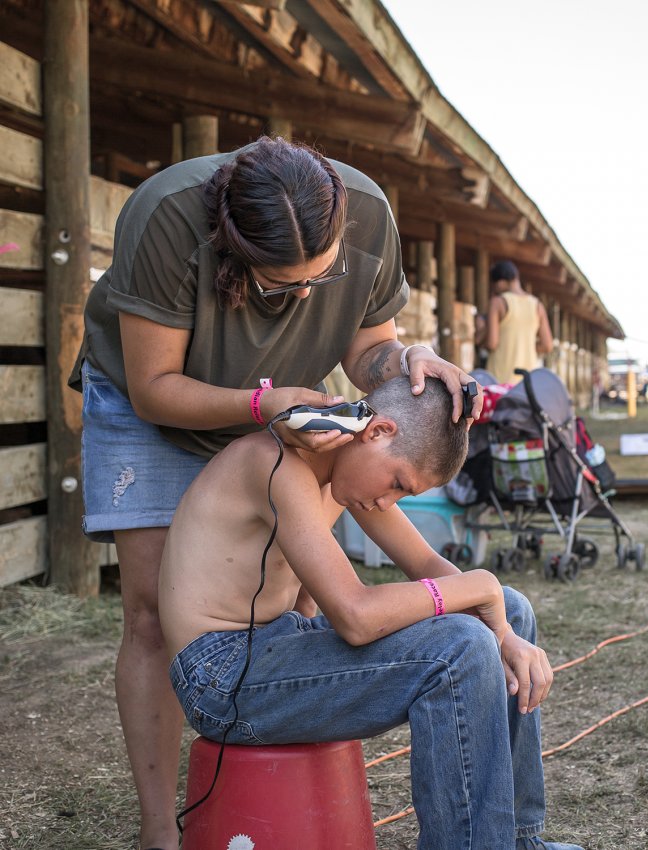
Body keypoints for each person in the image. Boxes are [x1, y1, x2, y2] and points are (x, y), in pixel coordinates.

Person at [68, 135, 483, 850]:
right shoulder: (165, 217)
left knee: (289, 597)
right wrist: (264, 406)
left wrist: (409, 359)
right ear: (232, 252)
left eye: (316, 284)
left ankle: (286, 769)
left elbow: (368, 352)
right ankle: (159, 830)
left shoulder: (370, 219)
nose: (300, 301)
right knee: (147, 616)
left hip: (278, 400)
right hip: (159, 394)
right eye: (278, 287)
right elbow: (156, 387)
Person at [160, 376, 584, 850]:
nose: (388, 502)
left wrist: (498, 614)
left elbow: (427, 566)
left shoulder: (348, 469)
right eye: (398, 483)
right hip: (221, 677)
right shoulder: (273, 463)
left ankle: (517, 840)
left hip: (280, 643)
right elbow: (355, 617)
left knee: (512, 607)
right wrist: (479, 588)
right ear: (377, 431)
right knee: (460, 648)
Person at [485, 260, 554, 385]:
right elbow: (547, 345)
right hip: (527, 381)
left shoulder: (498, 302)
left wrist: (479, 337)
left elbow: (492, 343)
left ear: (500, 282)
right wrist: (525, 346)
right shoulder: (537, 305)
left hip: (500, 377)